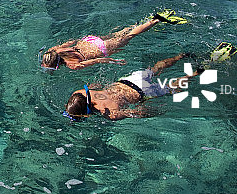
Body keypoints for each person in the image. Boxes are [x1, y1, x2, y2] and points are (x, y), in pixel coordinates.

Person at [62, 52, 201, 121]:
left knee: (172, 88)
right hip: (128, 80)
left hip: (143, 92)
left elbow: (137, 113)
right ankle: (181, 56)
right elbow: (95, 85)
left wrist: (157, 112)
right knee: (154, 69)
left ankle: (196, 73)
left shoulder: (110, 114)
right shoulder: (79, 92)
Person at [39, 10, 187, 71]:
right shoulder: (54, 50)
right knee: (120, 35)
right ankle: (141, 22)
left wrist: (114, 61)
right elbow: (71, 41)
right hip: (89, 41)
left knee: (130, 36)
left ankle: (155, 21)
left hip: (101, 49)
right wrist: (81, 40)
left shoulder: (73, 65)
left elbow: (96, 61)